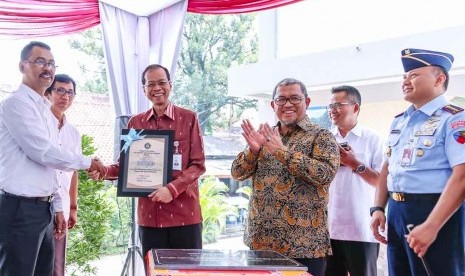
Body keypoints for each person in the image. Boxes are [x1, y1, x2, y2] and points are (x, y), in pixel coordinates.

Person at [0, 41, 104, 276]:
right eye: (39, 61)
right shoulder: (15, 105)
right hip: (20, 211)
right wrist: (89, 162)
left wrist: (58, 206)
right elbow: (43, 152)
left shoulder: (45, 111)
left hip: (43, 210)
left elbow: (53, 170)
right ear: (22, 66)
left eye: (51, 63)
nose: (47, 68)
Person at [90, 64, 206, 259]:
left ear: (170, 85)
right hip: (150, 218)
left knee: (188, 272)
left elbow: (198, 165)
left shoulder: (189, 118)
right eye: (151, 84)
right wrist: (103, 171)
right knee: (153, 271)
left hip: (185, 216)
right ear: (144, 89)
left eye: (162, 82)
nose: (157, 88)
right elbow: (125, 166)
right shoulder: (135, 123)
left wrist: (172, 189)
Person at [231, 78, 340, 276]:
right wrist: (253, 151)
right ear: (273, 105)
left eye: (294, 99)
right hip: (261, 244)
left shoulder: (321, 136)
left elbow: (324, 174)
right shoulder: (264, 135)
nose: (287, 104)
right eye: (281, 100)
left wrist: (282, 152)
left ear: (306, 102)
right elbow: (237, 173)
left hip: (303, 247)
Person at [370, 48, 465, 275]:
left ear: (439, 78)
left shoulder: (454, 118)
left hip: (436, 212)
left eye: (414, 75)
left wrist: (432, 226)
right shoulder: (400, 121)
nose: (406, 81)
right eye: (404, 76)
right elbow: (388, 167)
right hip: (397, 212)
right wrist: (377, 208)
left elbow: (462, 176)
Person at [325, 85, 383, 276]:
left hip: (360, 228)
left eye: (338, 105)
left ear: (355, 107)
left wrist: (355, 164)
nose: (333, 110)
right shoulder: (324, 139)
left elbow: (381, 182)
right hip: (328, 229)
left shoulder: (372, 139)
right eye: (330, 106)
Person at [44, 74, 81, 276]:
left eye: (70, 92)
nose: (65, 96)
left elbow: (73, 171)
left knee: (57, 267)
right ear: (48, 93)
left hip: (63, 209)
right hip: (38, 205)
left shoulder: (73, 133)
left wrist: (73, 207)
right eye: (59, 90)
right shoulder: (38, 126)